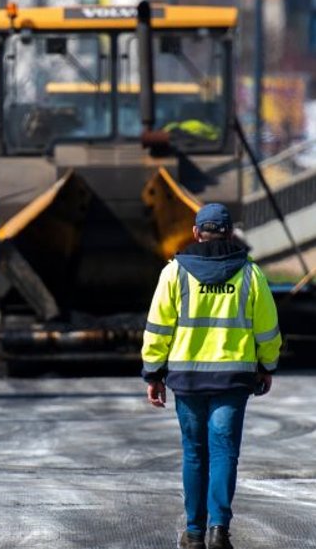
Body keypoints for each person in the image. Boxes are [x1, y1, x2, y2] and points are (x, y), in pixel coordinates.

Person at [141, 202, 281, 549]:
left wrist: (153, 372)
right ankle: (219, 530)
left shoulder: (174, 272)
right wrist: (267, 366)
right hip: (233, 378)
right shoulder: (250, 274)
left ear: (195, 233)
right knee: (224, 452)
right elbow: (267, 329)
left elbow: (158, 329)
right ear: (231, 233)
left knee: (194, 453)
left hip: (187, 379)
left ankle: (194, 534)